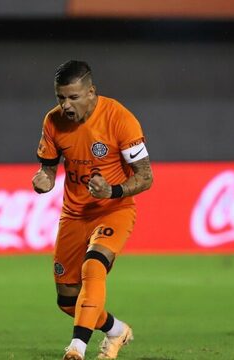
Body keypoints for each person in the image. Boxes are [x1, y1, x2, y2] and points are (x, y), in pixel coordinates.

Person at [32, 60, 153, 359]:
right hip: (73, 215)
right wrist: (43, 181)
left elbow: (145, 176)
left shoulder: (119, 119)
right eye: (61, 97)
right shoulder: (53, 121)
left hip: (114, 209)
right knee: (67, 301)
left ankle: (77, 347)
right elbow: (48, 169)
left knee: (94, 265)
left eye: (73, 97)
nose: (66, 105)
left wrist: (113, 190)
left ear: (91, 92)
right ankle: (115, 330)